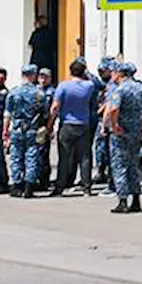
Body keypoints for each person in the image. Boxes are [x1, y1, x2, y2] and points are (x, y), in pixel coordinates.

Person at [105, 62, 142, 214]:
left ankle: (123, 200)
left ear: (119, 74)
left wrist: (114, 125)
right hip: (135, 132)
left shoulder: (120, 90)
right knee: (133, 165)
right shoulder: (141, 88)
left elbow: (114, 109)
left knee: (120, 165)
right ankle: (136, 200)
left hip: (122, 133)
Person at [47, 59, 94, 196]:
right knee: (85, 157)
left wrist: (50, 124)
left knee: (64, 157)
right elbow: (95, 83)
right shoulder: (88, 86)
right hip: (83, 124)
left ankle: (60, 187)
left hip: (67, 124)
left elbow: (55, 107)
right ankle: (87, 187)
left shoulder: (63, 86)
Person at [3, 65, 45, 198]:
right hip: (32, 129)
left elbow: (7, 114)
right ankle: (29, 186)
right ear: (33, 75)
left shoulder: (14, 92)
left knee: (16, 157)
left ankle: (16, 185)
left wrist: (5, 131)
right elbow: (44, 113)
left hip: (16, 129)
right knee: (31, 156)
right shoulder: (39, 93)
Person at [91, 57, 118, 193]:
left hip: (108, 122)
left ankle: (111, 180)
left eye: (104, 71)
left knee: (110, 152)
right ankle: (101, 171)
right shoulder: (101, 83)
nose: (101, 73)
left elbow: (110, 104)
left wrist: (99, 112)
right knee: (100, 149)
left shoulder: (114, 85)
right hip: (102, 121)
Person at [34, 68, 55, 191]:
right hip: (34, 125)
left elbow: (53, 111)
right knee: (35, 154)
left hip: (45, 124)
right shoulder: (35, 90)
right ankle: (36, 177)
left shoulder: (52, 92)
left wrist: (50, 128)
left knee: (43, 154)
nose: (42, 79)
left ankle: (44, 180)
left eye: (45, 77)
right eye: (41, 77)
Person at [27, 16, 55, 80]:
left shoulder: (36, 33)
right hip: (47, 57)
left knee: (36, 74)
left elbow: (30, 44)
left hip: (37, 58)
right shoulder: (49, 32)